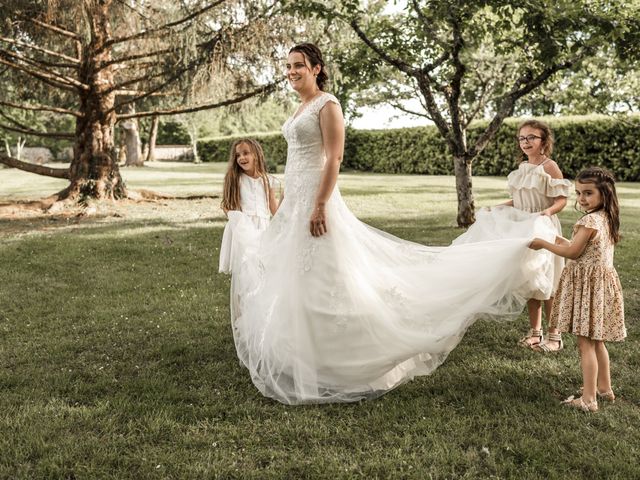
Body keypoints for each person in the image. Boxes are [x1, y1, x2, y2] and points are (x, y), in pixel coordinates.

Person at [225, 43, 558, 405]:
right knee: (298, 273)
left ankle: (342, 358)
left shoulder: (327, 104)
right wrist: (290, 202)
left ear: (317, 68)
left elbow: (334, 157)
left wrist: (319, 204)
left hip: (317, 199)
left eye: (298, 66)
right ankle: (302, 352)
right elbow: (296, 159)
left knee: (326, 269)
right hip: (295, 201)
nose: (291, 72)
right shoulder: (298, 107)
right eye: (288, 66)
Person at [530, 167, 625, 412]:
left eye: (588, 193)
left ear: (604, 194)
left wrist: (543, 244)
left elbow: (573, 253)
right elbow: (581, 248)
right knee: (598, 341)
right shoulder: (606, 217)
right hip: (601, 287)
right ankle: (605, 388)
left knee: (585, 345)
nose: (582, 199)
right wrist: (561, 241)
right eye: (579, 193)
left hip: (588, 288)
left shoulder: (589, 220)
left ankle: (588, 399)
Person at [498, 120, 571, 351]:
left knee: (548, 282)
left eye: (532, 137)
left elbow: (561, 200)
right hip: (524, 228)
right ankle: (535, 333)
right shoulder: (520, 170)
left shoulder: (549, 167)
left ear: (543, 141)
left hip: (543, 227)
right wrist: (500, 206)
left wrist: (546, 213)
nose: (526, 142)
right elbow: (520, 201)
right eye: (522, 138)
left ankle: (555, 336)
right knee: (531, 281)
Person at [218, 139, 278, 273]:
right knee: (245, 268)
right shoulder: (234, 178)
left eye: (246, 153)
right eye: (238, 155)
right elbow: (226, 205)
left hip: (263, 226)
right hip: (243, 226)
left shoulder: (268, 179)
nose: (241, 158)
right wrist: (238, 223)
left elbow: (272, 203)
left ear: (256, 154)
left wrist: (282, 220)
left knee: (263, 266)